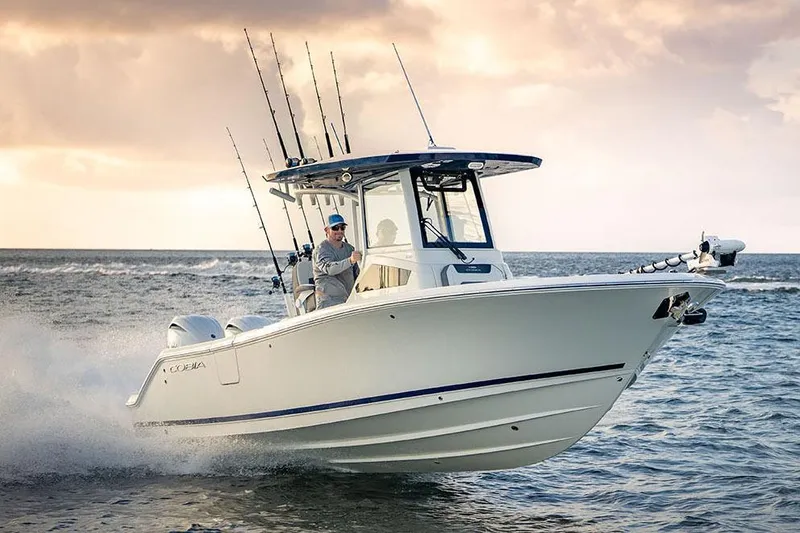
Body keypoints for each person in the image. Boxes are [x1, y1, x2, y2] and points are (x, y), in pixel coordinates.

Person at [312, 213, 361, 309]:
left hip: (349, 301)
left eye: (342, 227)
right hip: (329, 303)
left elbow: (358, 274)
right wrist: (350, 261)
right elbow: (330, 269)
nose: (339, 231)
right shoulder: (321, 250)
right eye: (335, 228)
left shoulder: (349, 249)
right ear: (326, 230)